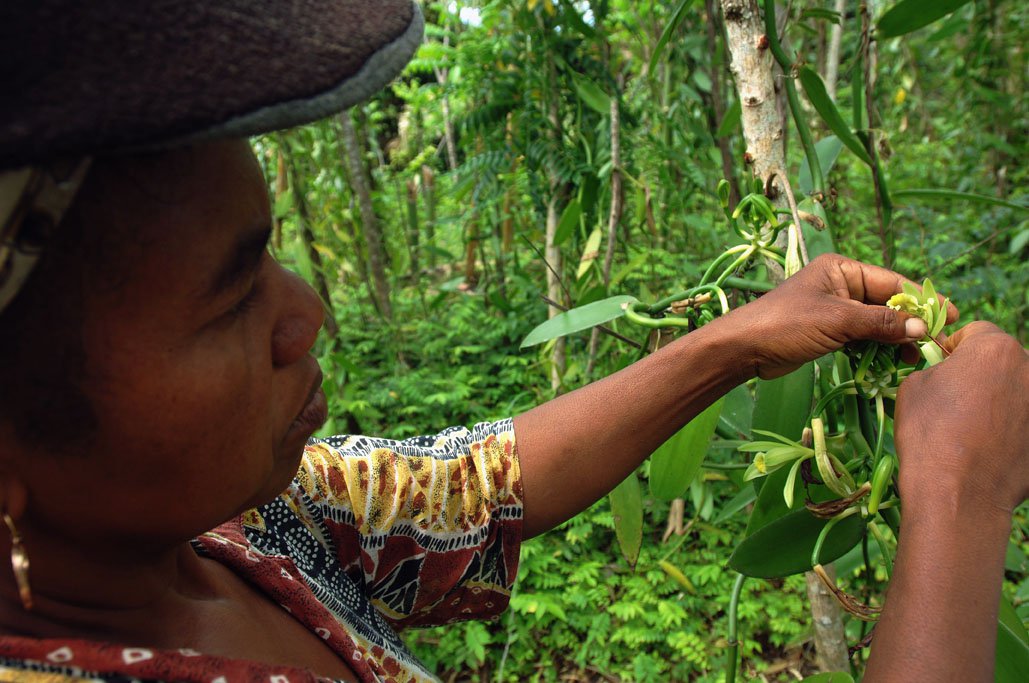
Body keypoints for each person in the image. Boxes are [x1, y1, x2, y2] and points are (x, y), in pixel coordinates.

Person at [0, 1, 1024, 682]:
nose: (307, 312)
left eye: (270, 257)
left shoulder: (235, 531)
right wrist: (958, 498)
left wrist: (739, 341)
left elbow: (472, 484)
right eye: (228, 300)